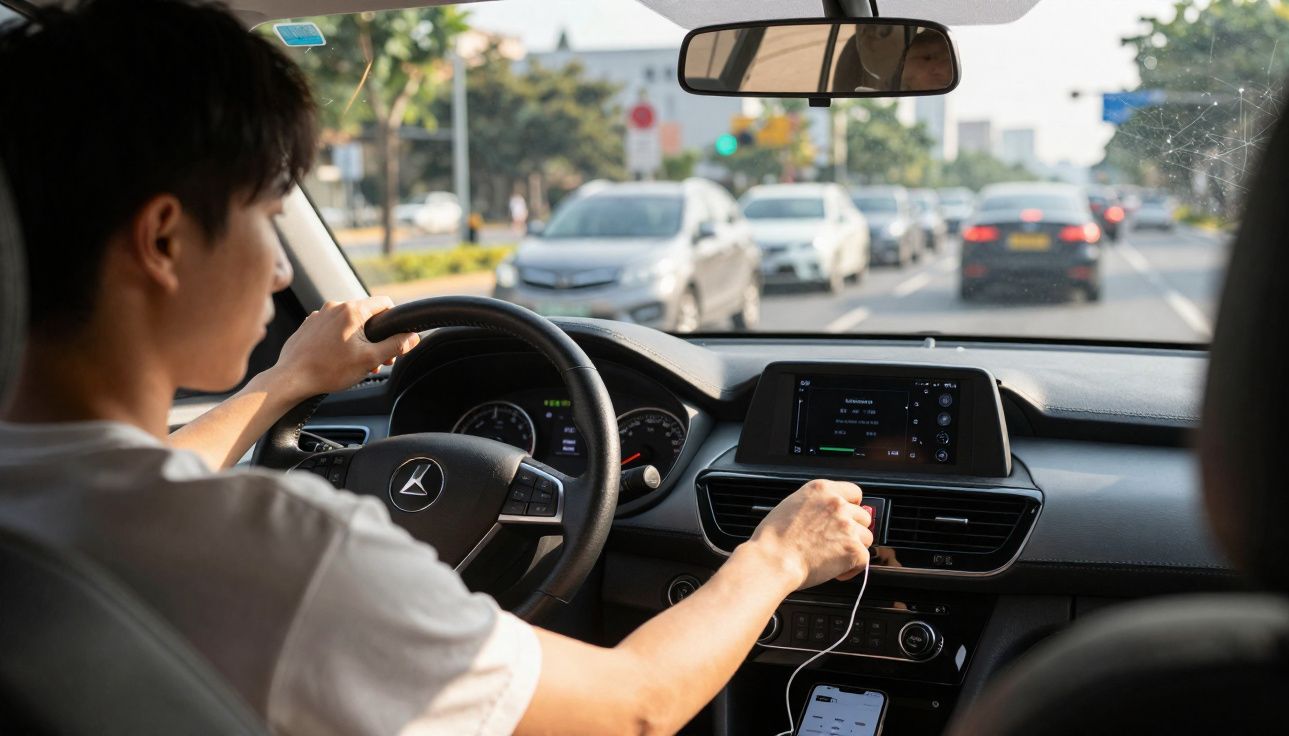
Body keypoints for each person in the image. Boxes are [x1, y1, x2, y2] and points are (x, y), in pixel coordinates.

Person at [0, 2, 875, 735]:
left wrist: (284, 383)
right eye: (267, 214)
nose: (279, 268)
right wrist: (777, 555)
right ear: (163, 240)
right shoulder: (289, 552)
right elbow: (636, 706)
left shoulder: (50, 500)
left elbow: (132, 479)